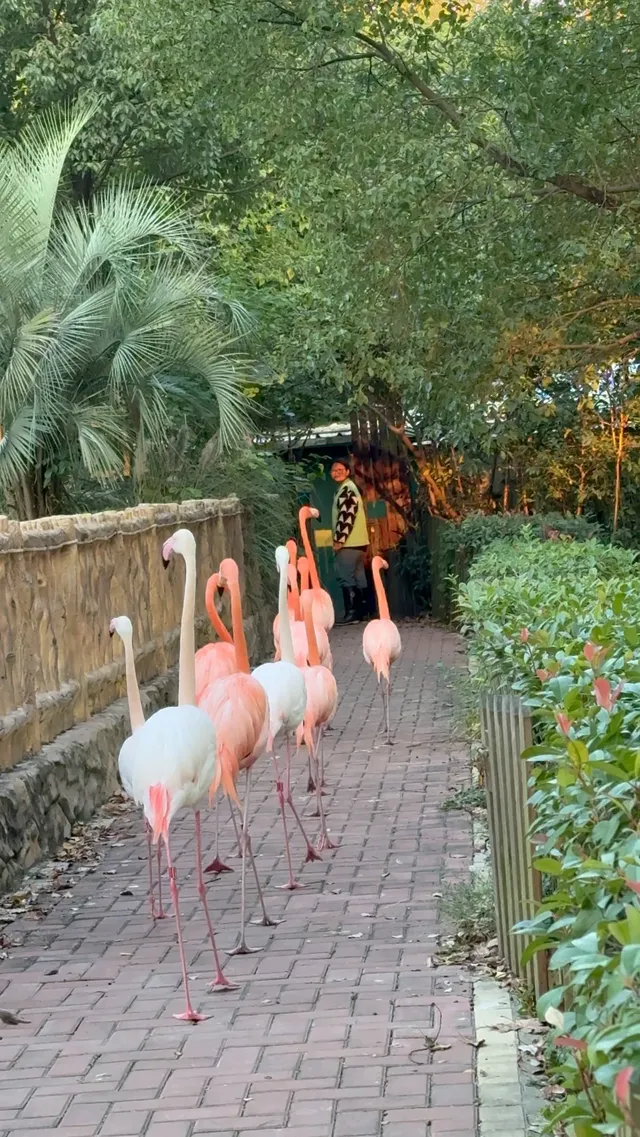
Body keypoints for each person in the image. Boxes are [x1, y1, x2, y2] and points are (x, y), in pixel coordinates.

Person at [330, 457, 370, 624]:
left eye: (340, 470)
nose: (337, 473)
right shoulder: (350, 488)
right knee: (359, 576)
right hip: (360, 543)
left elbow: (347, 516)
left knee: (346, 576)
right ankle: (363, 613)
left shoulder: (347, 490)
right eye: (334, 470)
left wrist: (339, 539)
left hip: (349, 543)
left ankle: (352, 613)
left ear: (347, 472)